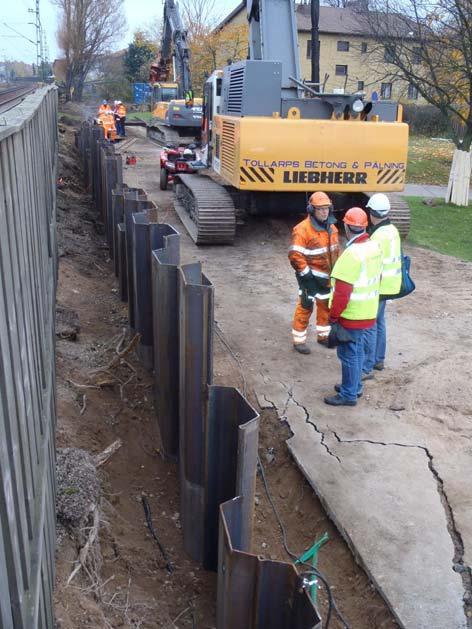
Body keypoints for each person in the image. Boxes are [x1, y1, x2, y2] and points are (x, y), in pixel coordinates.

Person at [324, 207, 382, 406]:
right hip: (367, 312)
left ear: (347, 227)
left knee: (348, 354)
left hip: (352, 316)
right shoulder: (373, 247)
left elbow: (342, 293)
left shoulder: (351, 255)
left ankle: (348, 394)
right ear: (365, 227)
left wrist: (333, 317)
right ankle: (354, 386)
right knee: (357, 351)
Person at [289, 191, 340, 354]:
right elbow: (295, 255)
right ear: (312, 210)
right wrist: (306, 275)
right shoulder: (302, 229)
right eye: (320, 209)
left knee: (326, 306)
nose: (324, 212)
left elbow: (335, 253)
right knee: (305, 307)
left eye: (326, 208)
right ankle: (299, 341)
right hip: (309, 279)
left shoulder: (332, 228)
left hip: (326, 279)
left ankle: (323, 336)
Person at [362, 193, 402, 377]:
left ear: (371, 212)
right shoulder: (392, 230)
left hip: (379, 286)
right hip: (391, 284)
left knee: (370, 325)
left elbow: (372, 263)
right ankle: (378, 359)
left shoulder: (378, 236)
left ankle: (367, 366)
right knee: (379, 322)